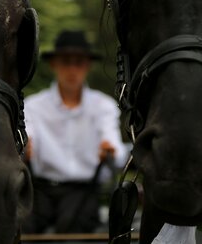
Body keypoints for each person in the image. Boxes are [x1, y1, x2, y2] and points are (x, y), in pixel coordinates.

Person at [23, 30, 128, 234]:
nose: (72, 69)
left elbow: (115, 149)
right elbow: (27, 137)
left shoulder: (103, 106)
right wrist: (23, 148)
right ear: (54, 64)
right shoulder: (33, 106)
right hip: (40, 190)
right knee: (22, 226)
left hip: (84, 191)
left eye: (78, 62)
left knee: (75, 227)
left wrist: (110, 150)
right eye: (65, 62)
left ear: (87, 65)